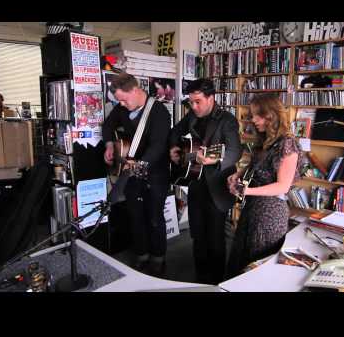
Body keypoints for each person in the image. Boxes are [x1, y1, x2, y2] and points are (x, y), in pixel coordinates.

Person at [169, 78, 242, 284]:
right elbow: (175, 131)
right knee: (197, 235)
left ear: (211, 98)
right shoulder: (192, 115)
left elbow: (235, 150)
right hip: (195, 183)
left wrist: (216, 158)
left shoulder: (227, 120)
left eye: (198, 101)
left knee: (216, 238)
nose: (193, 106)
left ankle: (217, 282)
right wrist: (174, 148)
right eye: (191, 102)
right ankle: (199, 279)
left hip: (217, 186)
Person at [225, 93, 301, 279]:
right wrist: (238, 175)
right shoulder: (264, 141)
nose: (253, 120)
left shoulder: (287, 144)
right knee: (243, 257)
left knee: (257, 263)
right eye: (251, 115)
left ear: (271, 115)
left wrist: (247, 190)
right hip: (253, 207)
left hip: (270, 212)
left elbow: (282, 186)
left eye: (257, 116)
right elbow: (255, 169)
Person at [102, 73, 171, 277]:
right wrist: (109, 145)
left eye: (124, 99)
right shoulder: (123, 107)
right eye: (119, 101)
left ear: (135, 90)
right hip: (131, 172)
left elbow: (158, 145)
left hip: (156, 173)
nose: (121, 104)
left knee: (154, 217)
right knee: (135, 215)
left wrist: (140, 163)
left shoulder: (159, 112)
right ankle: (141, 255)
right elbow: (107, 125)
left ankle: (158, 258)